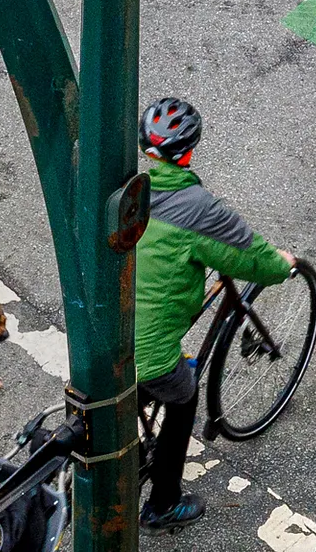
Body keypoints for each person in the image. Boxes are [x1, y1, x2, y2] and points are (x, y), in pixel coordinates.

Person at [118, 96, 299, 531]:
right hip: (145, 348)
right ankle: (162, 505)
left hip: (105, 328)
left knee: (139, 376)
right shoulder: (196, 207)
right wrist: (283, 263)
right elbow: (252, 256)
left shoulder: (128, 187)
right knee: (182, 394)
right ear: (189, 152)